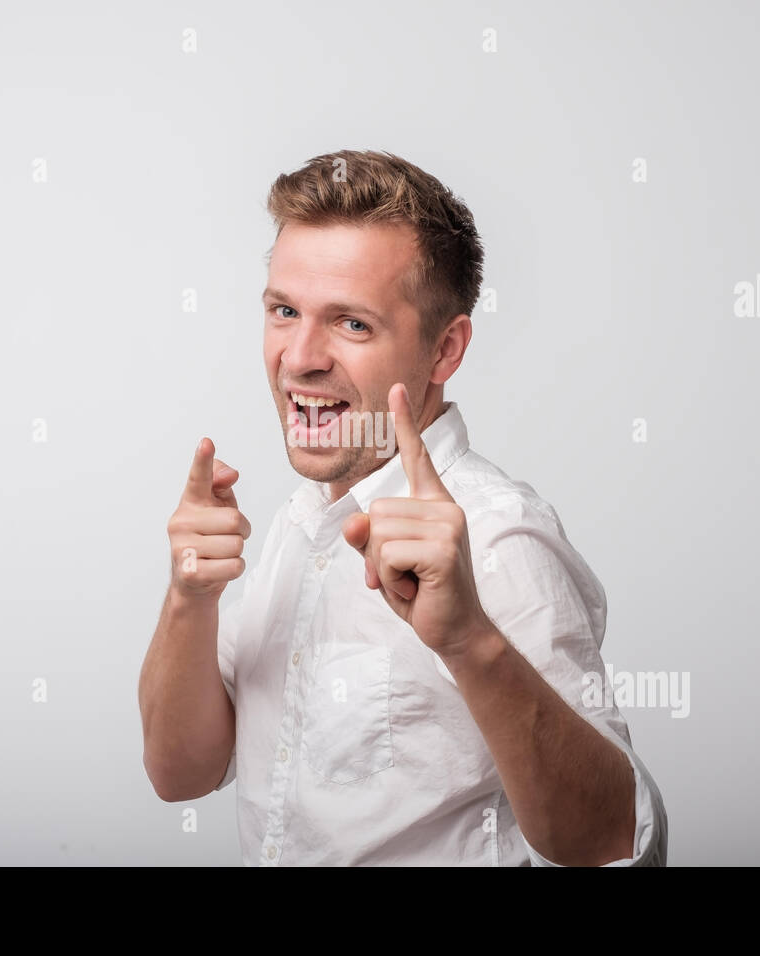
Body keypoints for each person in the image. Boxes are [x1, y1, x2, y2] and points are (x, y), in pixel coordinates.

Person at [138, 149, 667, 866]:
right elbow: (180, 774)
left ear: (444, 350)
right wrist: (188, 597)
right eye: (284, 311)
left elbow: (619, 843)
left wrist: (469, 641)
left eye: (351, 324)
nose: (299, 357)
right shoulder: (298, 526)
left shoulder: (498, 538)